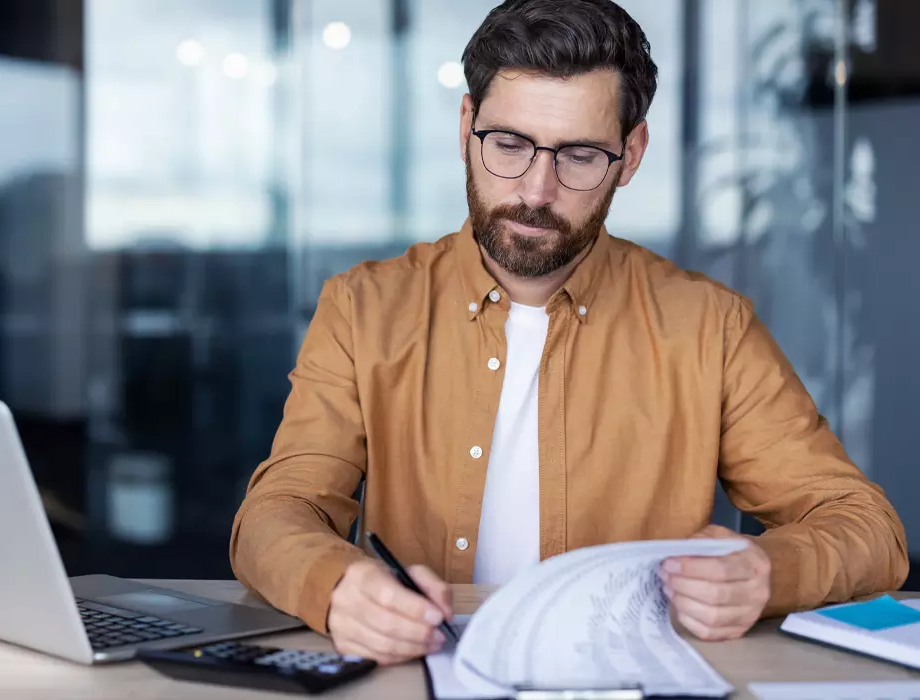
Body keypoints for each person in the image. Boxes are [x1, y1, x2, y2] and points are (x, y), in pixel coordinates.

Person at [229, 0, 908, 666]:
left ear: (630, 154)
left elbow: (868, 529)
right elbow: (276, 512)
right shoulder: (363, 309)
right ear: (466, 126)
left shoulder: (710, 327)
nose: (536, 190)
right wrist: (338, 586)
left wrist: (766, 571)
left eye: (579, 155)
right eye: (508, 145)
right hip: (417, 677)